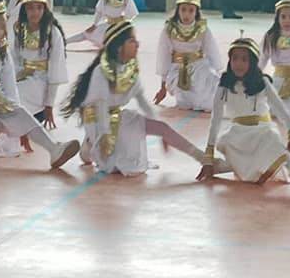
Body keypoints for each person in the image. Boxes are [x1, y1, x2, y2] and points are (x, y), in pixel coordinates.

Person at [62, 20, 220, 175]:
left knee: (162, 128)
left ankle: (203, 158)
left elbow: (143, 101)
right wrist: (103, 135)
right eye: (132, 41)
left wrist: (159, 129)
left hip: (117, 117)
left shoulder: (130, 70)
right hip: (97, 119)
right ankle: (90, 143)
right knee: (115, 164)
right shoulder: (101, 72)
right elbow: (101, 104)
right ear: (118, 47)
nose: (137, 44)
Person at [0, 2, 81, 168]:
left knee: (22, 114)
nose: (4, 30)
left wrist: (19, 123)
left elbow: (9, 84)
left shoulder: (1, 51)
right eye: (0, 24)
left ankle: (54, 149)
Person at [196, 36, 290, 197]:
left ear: (253, 62)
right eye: (235, 58)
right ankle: (223, 166)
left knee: (272, 137)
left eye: (244, 59)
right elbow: (216, 120)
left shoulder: (262, 82)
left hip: (262, 131)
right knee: (239, 155)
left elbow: (282, 112)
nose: (238, 64)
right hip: (237, 136)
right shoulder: (224, 85)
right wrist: (208, 156)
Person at [6, 0, 67, 153]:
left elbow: (55, 71)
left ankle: (23, 131)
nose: (35, 12)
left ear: (45, 9)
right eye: (31, 8)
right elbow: (13, 59)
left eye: (39, 8)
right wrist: (19, 74)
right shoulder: (18, 29)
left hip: (41, 81)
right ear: (24, 10)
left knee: (18, 98)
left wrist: (49, 105)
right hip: (21, 76)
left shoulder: (52, 33)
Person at [154, 0, 223, 113]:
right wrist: (163, 87)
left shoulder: (203, 29)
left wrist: (218, 74)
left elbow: (212, 51)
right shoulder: (169, 29)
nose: (186, 14)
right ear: (178, 10)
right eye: (183, 10)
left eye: (191, 10)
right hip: (178, 70)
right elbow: (164, 56)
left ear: (196, 12)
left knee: (208, 96)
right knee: (185, 102)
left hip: (200, 67)